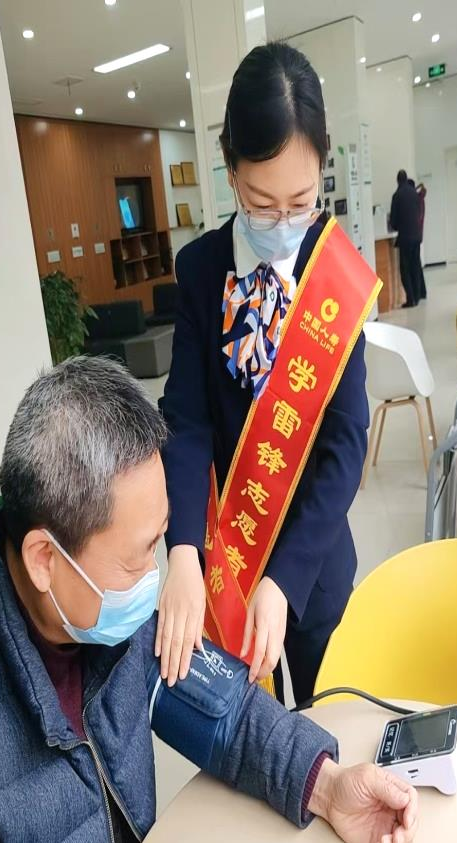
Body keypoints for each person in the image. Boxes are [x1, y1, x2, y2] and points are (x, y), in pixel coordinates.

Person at [0, 357, 419, 843]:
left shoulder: (91, 602)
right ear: (45, 559)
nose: (154, 578)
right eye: (139, 556)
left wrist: (326, 785)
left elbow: (222, 712)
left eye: (160, 542)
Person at [159, 42, 376, 705]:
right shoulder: (201, 271)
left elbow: (345, 443)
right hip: (225, 561)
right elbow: (187, 420)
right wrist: (182, 551)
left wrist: (284, 578)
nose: (282, 223)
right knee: (247, 741)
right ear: (230, 170)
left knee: (324, 727)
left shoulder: (335, 277)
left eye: (301, 202)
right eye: (261, 203)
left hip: (313, 567)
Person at [389, 169, 425, 307]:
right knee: (415, 266)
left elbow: (393, 221)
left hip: (405, 238)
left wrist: (396, 225)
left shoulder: (397, 196)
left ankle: (411, 299)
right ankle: (417, 295)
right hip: (417, 236)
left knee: (405, 269)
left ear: (398, 181)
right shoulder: (414, 194)